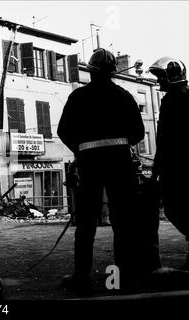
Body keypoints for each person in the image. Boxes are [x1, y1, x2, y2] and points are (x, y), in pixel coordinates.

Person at [57, 48, 145, 293]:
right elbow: (138, 132)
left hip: (90, 164)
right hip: (119, 163)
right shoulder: (125, 96)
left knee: (86, 223)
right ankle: (120, 278)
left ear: (91, 71)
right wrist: (119, 143)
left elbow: (63, 130)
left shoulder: (78, 97)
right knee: (122, 222)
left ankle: (81, 277)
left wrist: (80, 149)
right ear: (112, 72)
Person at [149, 57, 189, 269]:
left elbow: (164, 138)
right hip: (182, 163)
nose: (158, 82)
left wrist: (156, 170)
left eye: (160, 77)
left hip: (176, 165)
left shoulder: (172, 99)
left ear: (170, 76)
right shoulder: (185, 95)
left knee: (175, 208)